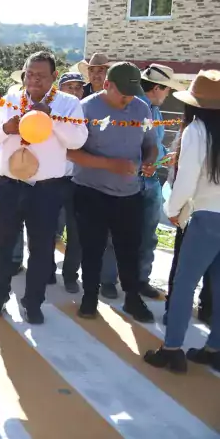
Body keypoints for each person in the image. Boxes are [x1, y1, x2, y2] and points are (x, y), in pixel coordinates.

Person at [0, 52, 88, 324]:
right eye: (30, 74)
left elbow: (78, 140)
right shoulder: (10, 99)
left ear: (54, 77)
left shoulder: (67, 104)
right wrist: (6, 128)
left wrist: (51, 119)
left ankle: (33, 302)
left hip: (47, 189)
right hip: (10, 184)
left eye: (41, 75)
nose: (34, 80)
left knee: (41, 248)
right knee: (2, 243)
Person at [69, 62, 157, 323]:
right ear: (107, 85)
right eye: (123, 93)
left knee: (129, 249)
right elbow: (71, 152)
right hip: (90, 192)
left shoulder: (141, 108)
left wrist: (149, 161)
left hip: (129, 195)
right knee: (92, 249)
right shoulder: (86, 108)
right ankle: (89, 298)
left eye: (133, 93)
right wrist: (110, 164)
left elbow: (150, 145)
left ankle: (132, 298)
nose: (128, 99)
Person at [145, 70, 220, 373]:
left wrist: (174, 210)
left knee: (184, 284)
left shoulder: (197, 130)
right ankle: (214, 347)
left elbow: (186, 179)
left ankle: (172, 348)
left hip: (205, 217)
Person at [100, 64, 187, 299]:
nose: (168, 95)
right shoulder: (129, 108)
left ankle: (140, 280)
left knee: (148, 235)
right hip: (128, 180)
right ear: (157, 88)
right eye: (167, 90)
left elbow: (152, 143)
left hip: (150, 182)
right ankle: (107, 280)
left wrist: (162, 157)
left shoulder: (155, 111)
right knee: (115, 233)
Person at [53, 72, 86, 293]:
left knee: (77, 231)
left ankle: (70, 275)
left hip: (78, 180)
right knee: (46, 228)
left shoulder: (88, 111)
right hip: (52, 178)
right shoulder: (51, 109)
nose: (74, 91)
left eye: (78, 87)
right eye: (69, 86)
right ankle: (45, 269)